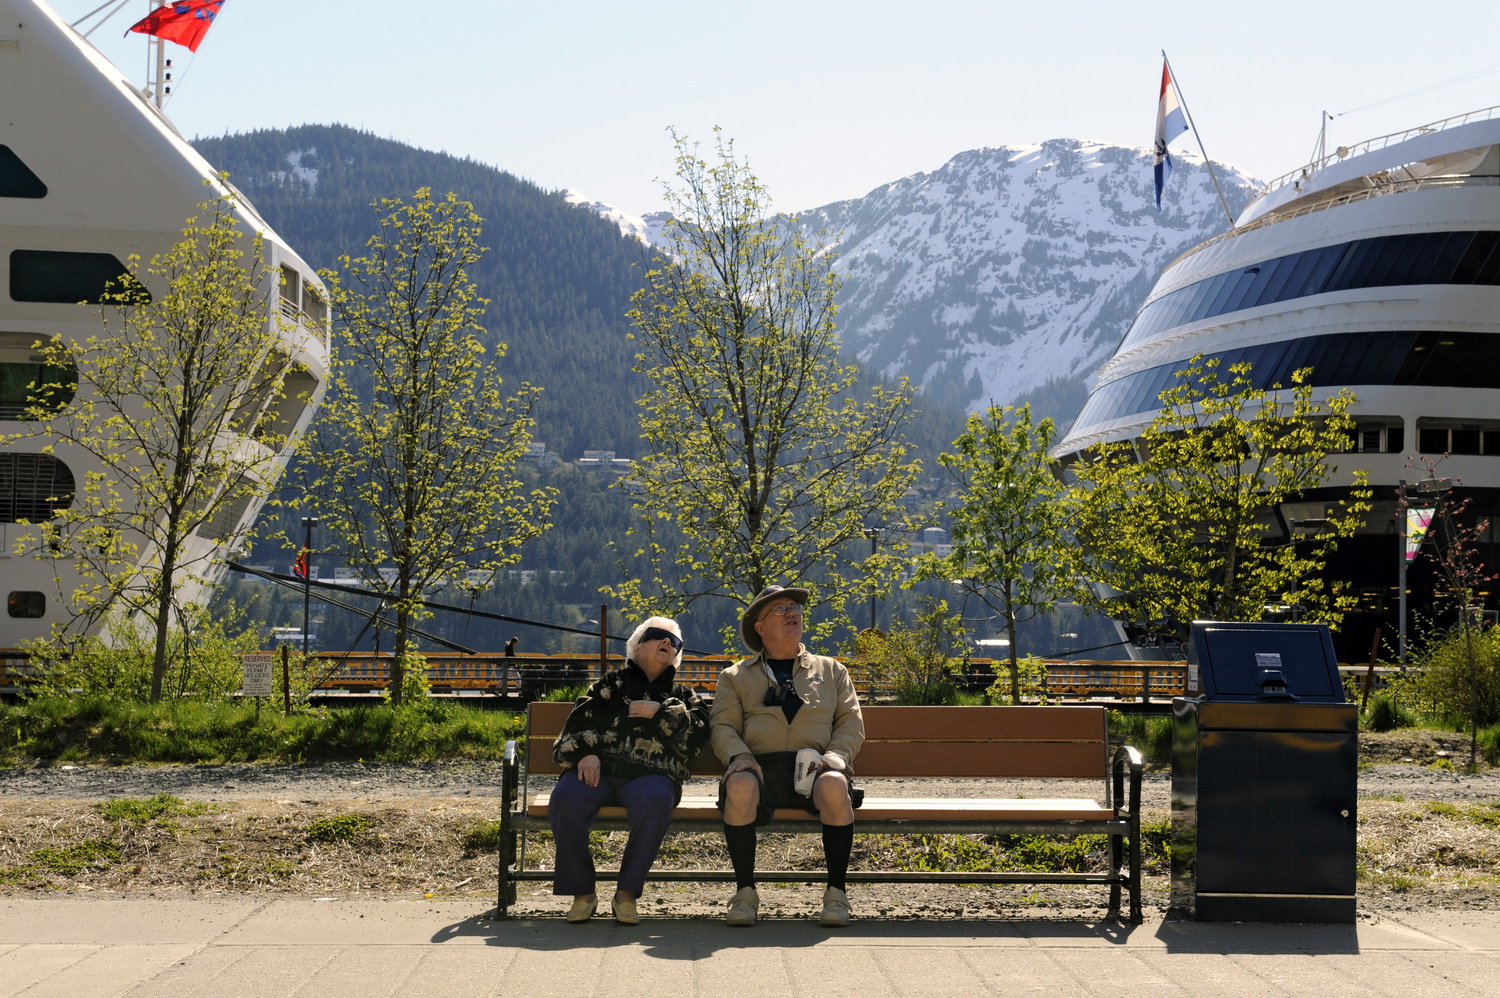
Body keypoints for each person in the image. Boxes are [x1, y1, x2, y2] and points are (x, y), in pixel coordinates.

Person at [710, 585, 864, 927]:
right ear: (760, 627)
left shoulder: (832, 670)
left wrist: (836, 757)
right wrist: (739, 757)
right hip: (760, 767)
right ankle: (745, 894)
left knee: (836, 786)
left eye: (794, 608)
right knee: (739, 787)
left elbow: (851, 722)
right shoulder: (735, 676)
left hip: (818, 765)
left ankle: (837, 894)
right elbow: (722, 727)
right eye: (779, 610)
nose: (792, 613)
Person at [549, 616, 710, 924]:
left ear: (677, 654)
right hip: (598, 772)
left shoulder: (684, 696)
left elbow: (698, 740)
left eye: (673, 641)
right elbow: (576, 726)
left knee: (656, 800)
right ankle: (583, 893)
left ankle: (626, 894)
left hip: (651, 776)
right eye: (657, 636)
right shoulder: (610, 685)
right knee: (566, 798)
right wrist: (586, 753)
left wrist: (661, 713)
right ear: (635, 647)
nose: (666, 643)